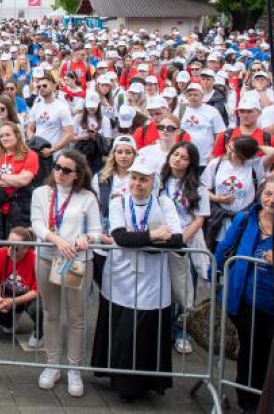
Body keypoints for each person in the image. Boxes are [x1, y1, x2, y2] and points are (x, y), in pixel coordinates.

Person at [105, 159, 184, 401]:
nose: (137, 184)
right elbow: (121, 238)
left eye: (143, 179)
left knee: (147, 330)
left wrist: (140, 240)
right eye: (134, 178)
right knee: (124, 331)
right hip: (123, 276)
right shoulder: (118, 202)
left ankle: (146, 383)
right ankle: (123, 384)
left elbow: (177, 240)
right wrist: (155, 235)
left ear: (153, 181)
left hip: (153, 278)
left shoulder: (164, 203)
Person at [30, 149, 102, 397]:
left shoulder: (87, 197)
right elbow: (37, 223)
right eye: (57, 167)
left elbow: (96, 230)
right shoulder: (41, 192)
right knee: (50, 313)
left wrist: (85, 239)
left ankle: (73, 368)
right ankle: (52, 364)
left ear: (77, 175)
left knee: (76, 316)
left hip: (75, 261)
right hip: (47, 257)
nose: (60, 172)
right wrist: (56, 239)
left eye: (66, 170)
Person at [215, 176, 274, 414]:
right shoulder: (245, 218)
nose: (272, 200)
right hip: (244, 298)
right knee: (250, 350)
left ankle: (268, 400)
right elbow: (224, 248)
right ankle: (248, 402)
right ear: (261, 194)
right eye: (269, 193)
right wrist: (215, 275)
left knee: (270, 352)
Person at [157, 141, 209, 354]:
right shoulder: (159, 181)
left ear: (191, 162)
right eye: (175, 154)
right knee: (163, 289)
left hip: (186, 243)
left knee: (185, 290)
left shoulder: (199, 187)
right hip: (161, 240)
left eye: (184, 157)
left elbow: (199, 220)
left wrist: (181, 241)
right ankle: (163, 332)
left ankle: (182, 332)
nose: (178, 159)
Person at [0, 121, 38, 240]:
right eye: (1, 136)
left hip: (21, 209)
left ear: (17, 135)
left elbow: (24, 180)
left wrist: (0, 176)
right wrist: (14, 180)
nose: (4, 138)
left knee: (18, 245)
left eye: (7, 135)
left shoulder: (30, 155)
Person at [0, 226, 42, 348]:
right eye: (9, 244)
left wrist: (13, 301)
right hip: (10, 292)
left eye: (15, 247)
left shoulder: (35, 259)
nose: (10, 249)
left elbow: (36, 291)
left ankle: (40, 333)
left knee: (38, 309)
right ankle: (10, 322)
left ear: (26, 248)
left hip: (30, 296)